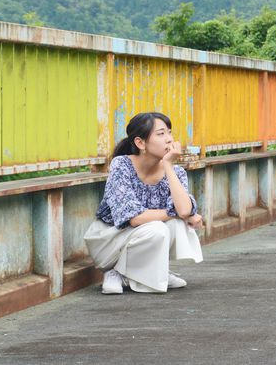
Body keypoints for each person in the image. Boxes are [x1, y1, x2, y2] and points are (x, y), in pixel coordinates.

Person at [84, 112, 204, 294]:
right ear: (140, 143)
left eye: (169, 133)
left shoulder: (176, 172)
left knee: (176, 224)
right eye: (161, 134)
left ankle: (156, 271)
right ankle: (115, 271)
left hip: (142, 234)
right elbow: (133, 218)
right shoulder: (121, 165)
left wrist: (168, 166)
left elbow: (185, 210)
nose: (169, 140)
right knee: (159, 228)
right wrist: (178, 213)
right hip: (110, 240)